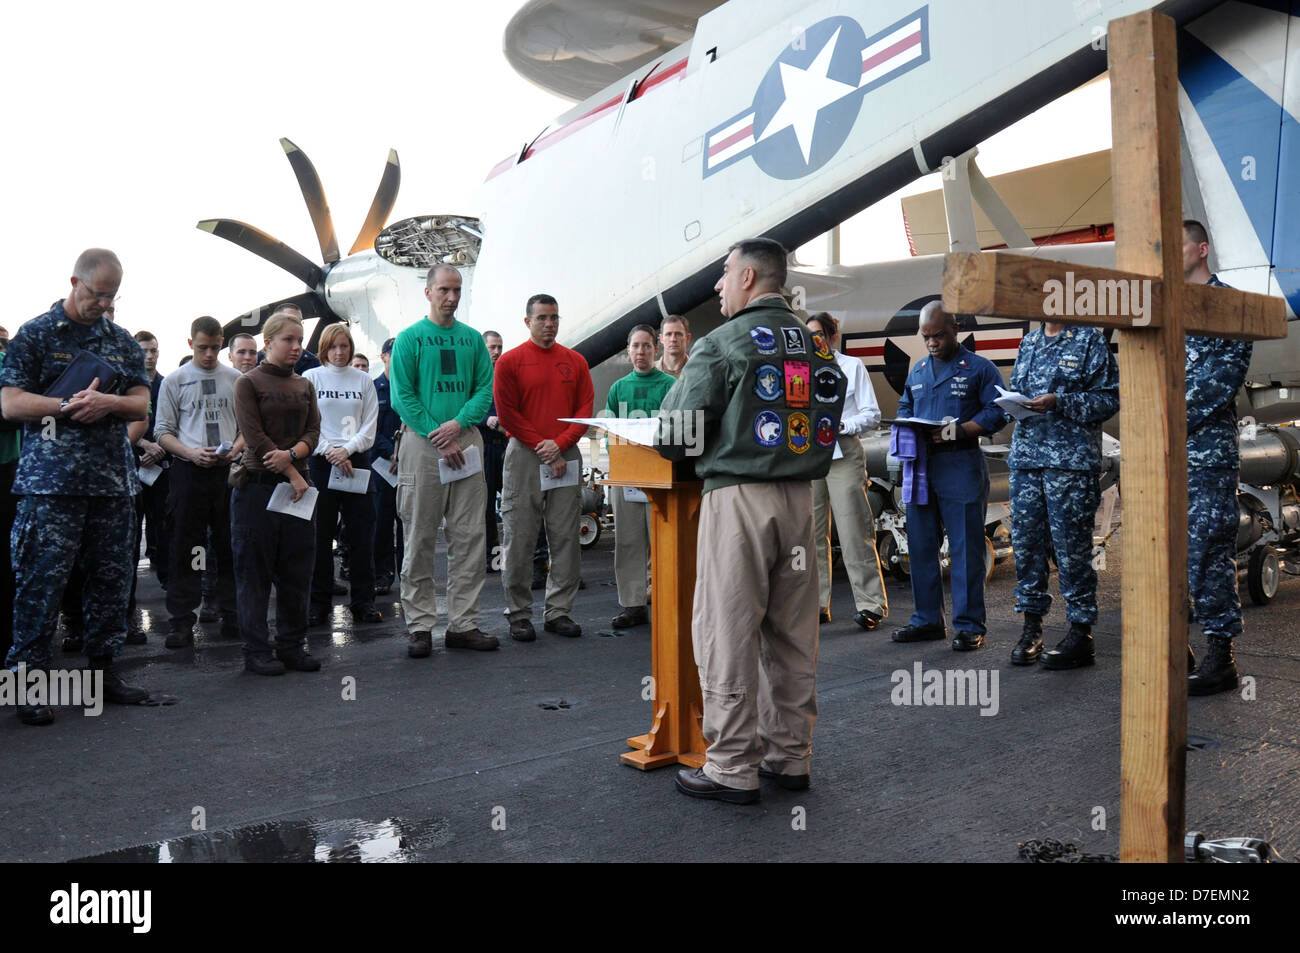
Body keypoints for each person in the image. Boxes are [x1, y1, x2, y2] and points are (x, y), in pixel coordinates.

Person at [657, 238, 846, 803]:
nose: (716, 287)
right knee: (792, 633)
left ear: (746, 279)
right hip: (800, 501)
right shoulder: (816, 346)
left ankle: (732, 765)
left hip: (738, 499)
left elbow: (675, 435)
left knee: (727, 630)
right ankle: (791, 756)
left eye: (722, 275)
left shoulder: (723, 342)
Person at [0, 248, 153, 723]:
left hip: (111, 484)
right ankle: (27, 684)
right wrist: (65, 404)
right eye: (95, 295)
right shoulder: (36, 335)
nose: (102, 305)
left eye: (111, 297)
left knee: (111, 582)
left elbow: (141, 402)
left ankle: (104, 673)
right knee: (41, 585)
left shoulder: (121, 341)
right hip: (51, 487)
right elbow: (9, 402)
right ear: (74, 282)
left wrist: (109, 402)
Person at [389, 265, 498, 656]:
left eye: (457, 290)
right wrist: (439, 432)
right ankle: (419, 625)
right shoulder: (410, 339)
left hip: (465, 440)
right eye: (444, 290)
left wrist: (458, 425)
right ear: (428, 292)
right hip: (422, 442)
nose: (451, 297)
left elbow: (484, 389)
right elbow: (402, 396)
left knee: (469, 537)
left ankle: (463, 624)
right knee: (418, 535)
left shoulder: (471, 340)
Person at [891, 301, 1006, 651]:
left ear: (955, 329)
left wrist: (963, 430)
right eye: (925, 337)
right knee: (922, 547)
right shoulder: (920, 370)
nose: (931, 343)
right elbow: (905, 407)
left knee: (966, 548)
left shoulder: (979, 369)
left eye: (938, 336)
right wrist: (906, 426)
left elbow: (999, 411)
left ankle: (970, 625)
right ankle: (926, 620)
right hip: (923, 467)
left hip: (961, 465)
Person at [1005, 315, 1119, 668]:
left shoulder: (1089, 341)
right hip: (1027, 461)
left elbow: (1108, 399)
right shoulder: (1030, 343)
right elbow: (1017, 388)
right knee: (1026, 547)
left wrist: (1060, 401)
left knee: (1072, 550)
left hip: (1068, 463)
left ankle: (1080, 632)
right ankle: (1031, 628)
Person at [495, 294, 594, 641]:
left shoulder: (576, 362)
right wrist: (543, 445)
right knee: (519, 537)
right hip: (525, 454)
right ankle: (519, 613)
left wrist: (560, 445)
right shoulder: (510, 362)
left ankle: (559, 611)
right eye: (541, 318)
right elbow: (507, 413)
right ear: (527, 322)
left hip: (565, 455)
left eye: (554, 317)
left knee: (565, 536)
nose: (549, 324)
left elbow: (584, 410)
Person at [230, 311, 321, 675]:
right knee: (254, 574)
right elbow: (254, 437)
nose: (297, 347)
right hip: (257, 490)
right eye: (288, 340)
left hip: (298, 491)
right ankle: (256, 651)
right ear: (268, 343)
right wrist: (290, 471)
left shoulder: (304, 385)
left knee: (297, 571)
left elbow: (314, 432)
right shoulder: (247, 384)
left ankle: (291, 646)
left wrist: (293, 457)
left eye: (300, 341)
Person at [1183, 219, 1252, 695]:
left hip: (1206, 454)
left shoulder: (1226, 305)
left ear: (1202, 248)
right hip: (1161, 456)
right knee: (1163, 554)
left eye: (1178, 246)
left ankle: (1219, 655)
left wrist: (1160, 416)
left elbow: (1219, 382)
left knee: (1208, 552)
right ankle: (1171, 647)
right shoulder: (1163, 305)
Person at [154, 316, 244, 647]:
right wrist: (192, 454)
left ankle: (233, 613)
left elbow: (247, 428)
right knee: (186, 546)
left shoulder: (235, 379)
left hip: (226, 471)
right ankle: (181, 620)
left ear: (222, 343)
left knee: (231, 544)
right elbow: (162, 432)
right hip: (189, 473)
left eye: (215, 347)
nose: (209, 354)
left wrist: (233, 450)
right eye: (202, 347)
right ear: (190, 344)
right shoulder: (175, 381)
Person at [804, 312, 888, 631]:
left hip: (844, 451)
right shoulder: (800, 370)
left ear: (832, 337)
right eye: (809, 336)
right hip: (810, 455)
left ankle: (871, 604)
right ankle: (816, 604)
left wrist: (842, 425)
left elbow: (873, 415)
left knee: (855, 529)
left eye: (820, 335)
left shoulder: (852, 367)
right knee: (810, 533)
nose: (815, 341)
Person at [303, 324, 382, 626]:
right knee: (320, 536)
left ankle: (363, 602)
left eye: (345, 346)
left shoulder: (363, 380)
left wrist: (346, 450)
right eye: (334, 346)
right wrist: (330, 451)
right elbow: (307, 424)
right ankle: (318, 603)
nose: (339, 352)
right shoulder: (310, 378)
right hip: (321, 462)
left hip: (356, 460)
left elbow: (369, 425)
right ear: (325, 348)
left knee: (362, 535)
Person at [605, 325, 674, 628]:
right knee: (629, 541)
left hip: (658, 474)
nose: (641, 352)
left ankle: (668, 599)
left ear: (656, 349)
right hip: (627, 475)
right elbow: (609, 430)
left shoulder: (670, 384)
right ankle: (632, 604)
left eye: (647, 346)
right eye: (636, 346)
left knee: (662, 541)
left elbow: (678, 425)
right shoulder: (618, 388)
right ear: (628, 350)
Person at [132, 330, 169, 592]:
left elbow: (177, 422)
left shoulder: (167, 384)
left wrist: (160, 448)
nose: (149, 356)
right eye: (144, 350)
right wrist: (143, 444)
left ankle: (168, 578)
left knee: (164, 522)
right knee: (132, 525)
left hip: (163, 463)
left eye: (153, 350)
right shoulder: (125, 385)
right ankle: (128, 582)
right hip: (133, 464)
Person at [371, 337, 402, 594]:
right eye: (393, 355)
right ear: (384, 357)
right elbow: (372, 429)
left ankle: (407, 573)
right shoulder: (374, 388)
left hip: (407, 465)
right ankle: (382, 575)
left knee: (408, 524)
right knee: (381, 524)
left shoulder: (410, 388)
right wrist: (392, 453)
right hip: (382, 468)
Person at [478, 330, 509, 574]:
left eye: (499, 346)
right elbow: (464, 410)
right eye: (492, 347)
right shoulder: (474, 377)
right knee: (486, 506)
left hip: (507, 445)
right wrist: (487, 419)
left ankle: (517, 552)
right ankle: (492, 555)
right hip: (485, 446)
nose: (497, 351)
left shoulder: (508, 375)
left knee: (513, 502)